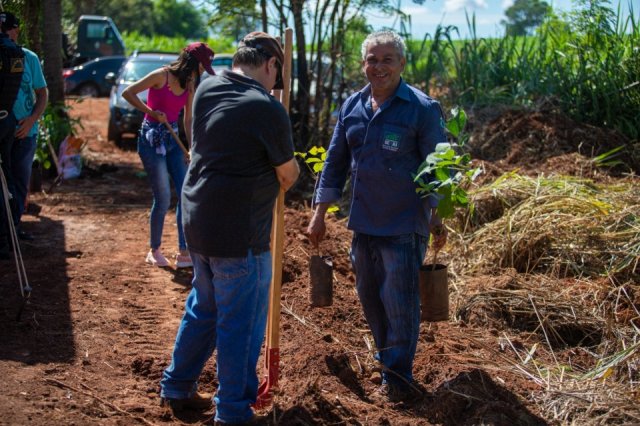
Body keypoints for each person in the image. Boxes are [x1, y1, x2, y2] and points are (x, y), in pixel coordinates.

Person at [159, 32, 299, 425]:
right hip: (241, 236)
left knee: (205, 306)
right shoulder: (267, 110)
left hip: (198, 222)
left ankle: (177, 386)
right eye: (277, 76)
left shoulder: (208, 87)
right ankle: (234, 410)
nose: (276, 85)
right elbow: (287, 176)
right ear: (271, 65)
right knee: (240, 323)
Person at [306, 31, 448, 403]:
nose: (378, 66)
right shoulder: (352, 106)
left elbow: (437, 167)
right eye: (372, 59)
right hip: (363, 223)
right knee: (370, 298)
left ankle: (399, 378)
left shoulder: (421, 108)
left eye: (387, 59)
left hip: (403, 224)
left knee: (399, 302)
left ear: (402, 64)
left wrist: (435, 214)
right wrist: (319, 212)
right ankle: (387, 362)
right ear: (363, 64)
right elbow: (334, 164)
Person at [122, 42, 215, 269]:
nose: (202, 72)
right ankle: (154, 250)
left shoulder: (190, 85)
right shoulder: (161, 76)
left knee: (185, 193)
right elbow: (128, 93)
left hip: (172, 142)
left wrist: (191, 147)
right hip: (151, 139)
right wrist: (151, 112)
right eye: (201, 67)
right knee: (163, 196)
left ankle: (184, 251)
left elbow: (188, 119)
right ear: (192, 63)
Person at [0, 11, 48, 249]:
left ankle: (14, 228)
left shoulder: (28, 58)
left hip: (25, 133)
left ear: (15, 31)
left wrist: (31, 120)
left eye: (5, 30)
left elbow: (42, 93)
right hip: (3, 132)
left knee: (19, 182)